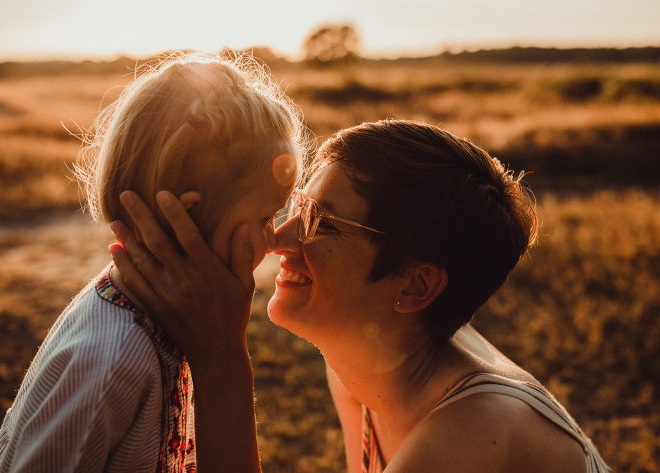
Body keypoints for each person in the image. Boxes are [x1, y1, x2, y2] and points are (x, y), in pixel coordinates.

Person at [110, 120, 611, 472]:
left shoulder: (476, 429)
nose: (277, 239)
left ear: (415, 286)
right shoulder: (368, 363)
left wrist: (220, 359)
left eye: (321, 224)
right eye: (298, 207)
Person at [0, 53, 304, 473]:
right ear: (186, 217)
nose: (274, 238)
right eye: (264, 218)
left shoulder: (172, 321)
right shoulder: (110, 362)